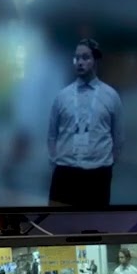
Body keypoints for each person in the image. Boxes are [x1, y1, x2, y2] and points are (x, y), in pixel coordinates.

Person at [46, 38, 124, 207]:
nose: (80, 62)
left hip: (98, 175)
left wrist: (104, 164)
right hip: (65, 173)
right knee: (55, 219)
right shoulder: (62, 97)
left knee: (95, 220)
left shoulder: (111, 96)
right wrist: (57, 161)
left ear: (95, 60)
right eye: (77, 58)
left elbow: (118, 138)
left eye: (85, 57)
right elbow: (52, 135)